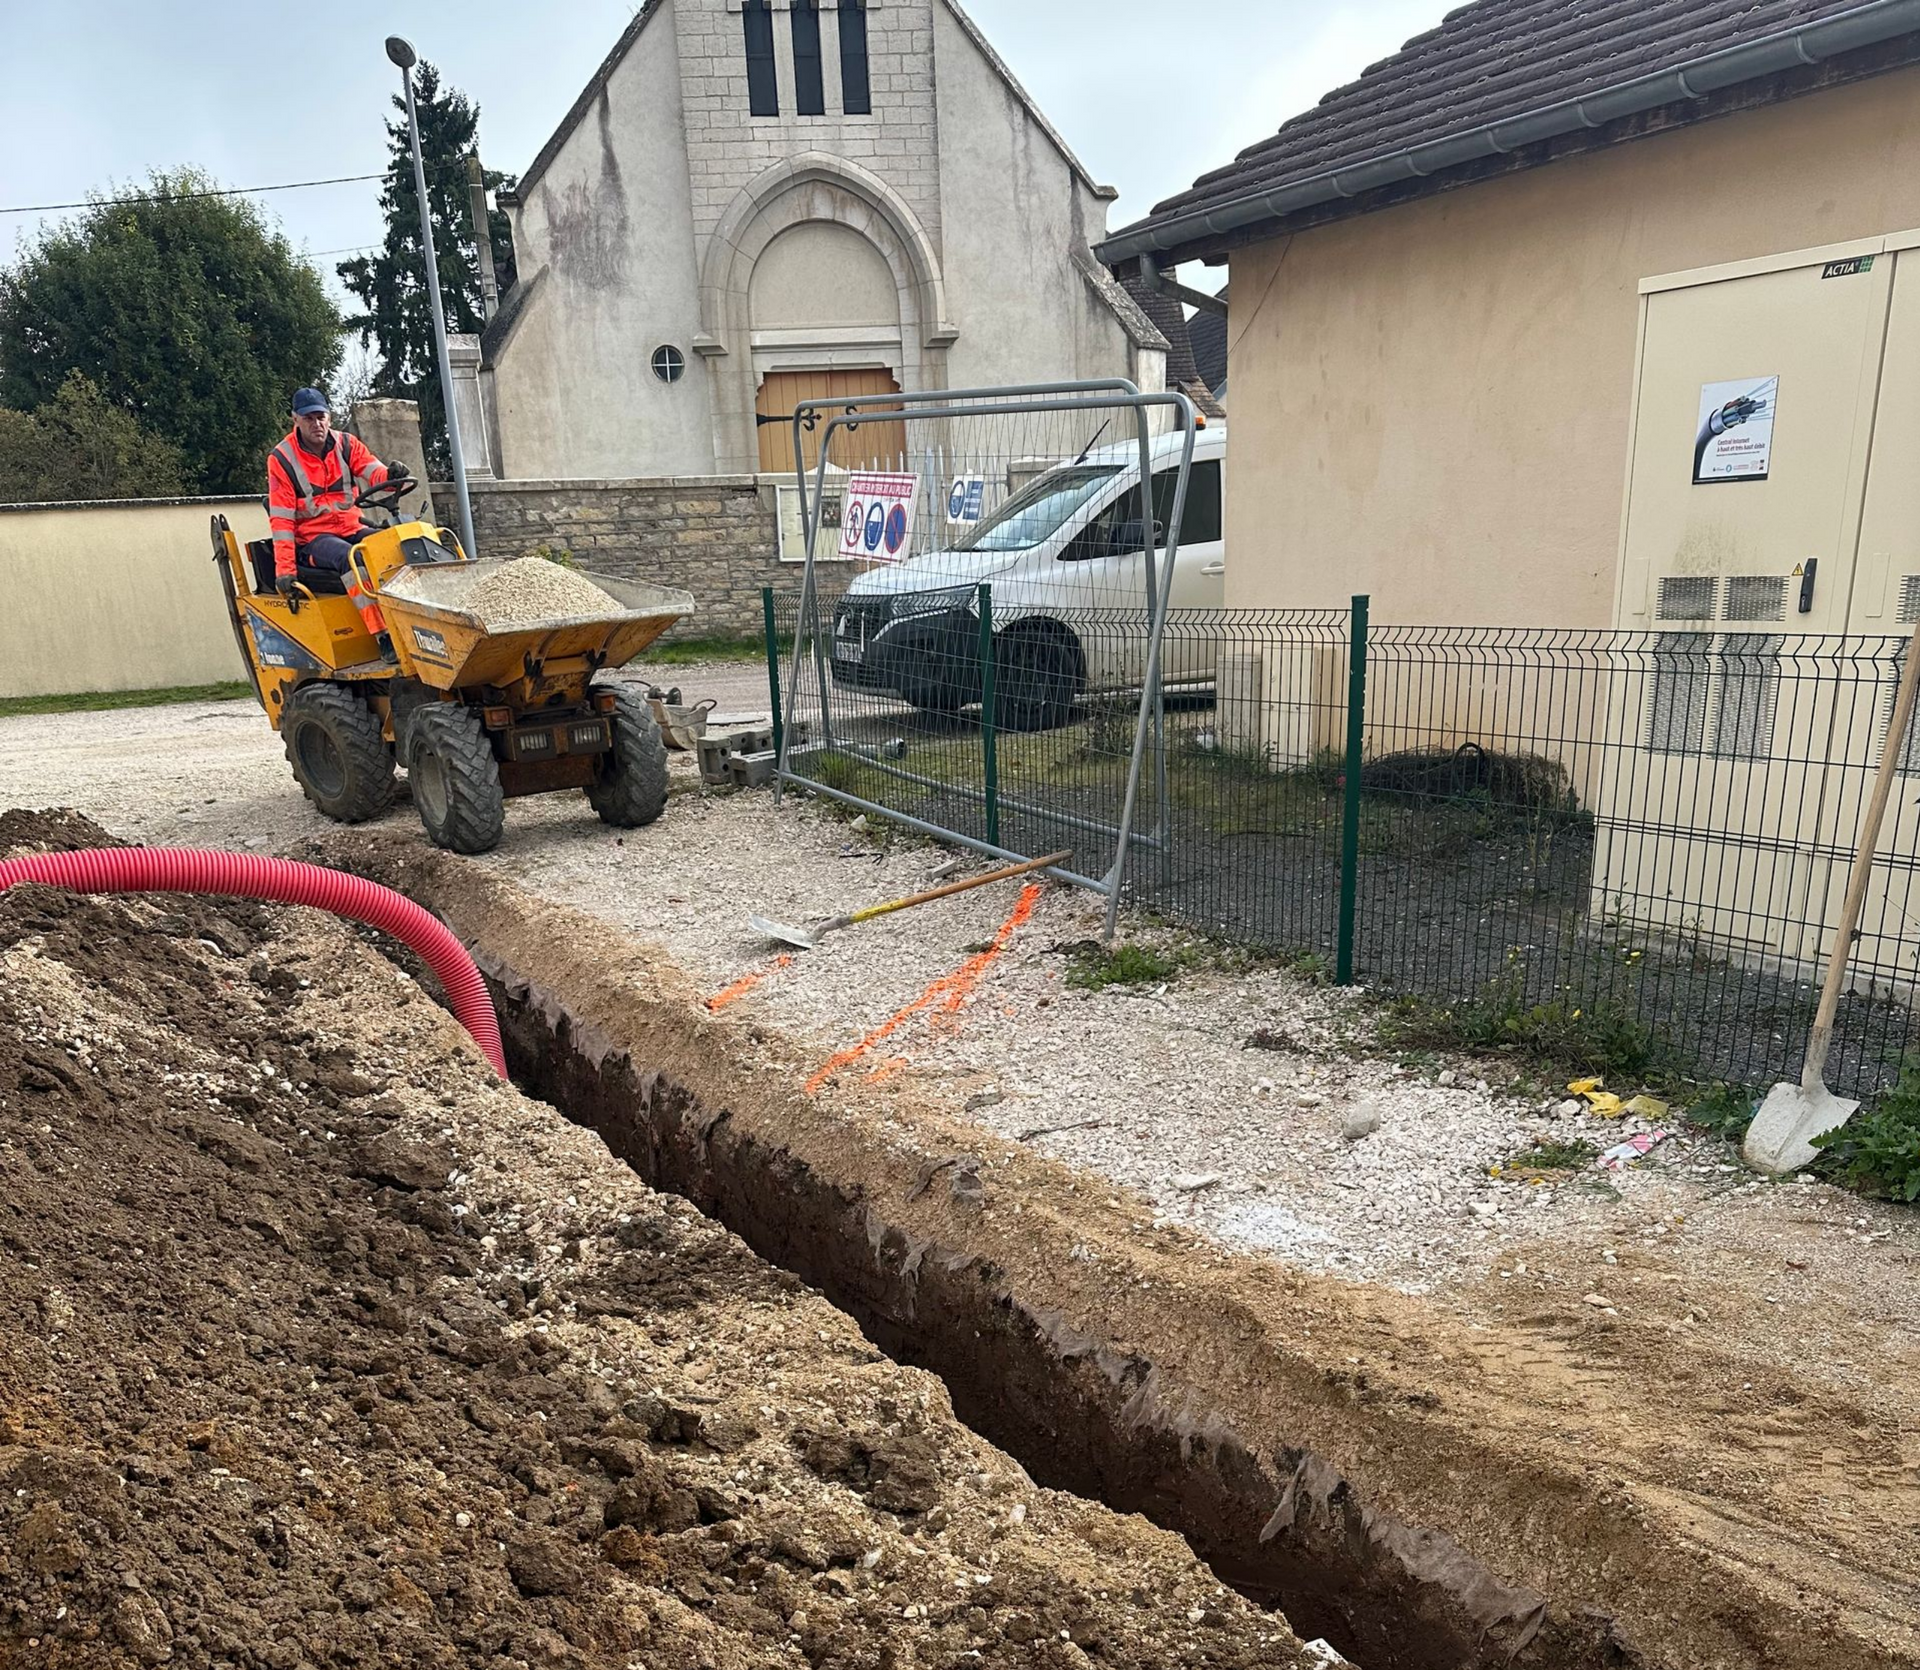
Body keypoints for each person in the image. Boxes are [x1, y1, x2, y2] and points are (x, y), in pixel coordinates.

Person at [265, 388, 412, 596]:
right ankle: (380, 627)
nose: (317, 424)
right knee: (351, 557)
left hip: (352, 527)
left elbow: (374, 472)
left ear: (329, 417)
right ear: (295, 419)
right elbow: (281, 521)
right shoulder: (281, 459)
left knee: (393, 546)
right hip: (312, 540)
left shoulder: (346, 444)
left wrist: (391, 475)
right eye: (309, 418)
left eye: (320, 417)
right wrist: (285, 571)